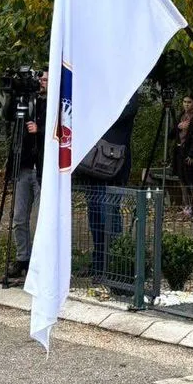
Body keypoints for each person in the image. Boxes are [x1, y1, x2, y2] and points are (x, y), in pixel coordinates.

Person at [77, 91, 140, 278]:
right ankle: (98, 264)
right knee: (95, 218)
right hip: (92, 167)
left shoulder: (128, 91)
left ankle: (113, 266)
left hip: (113, 168)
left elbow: (120, 115)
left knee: (109, 218)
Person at [3, 69, 48, 279]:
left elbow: (63, 132)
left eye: (46, 79)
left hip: (43, 168)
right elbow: (8, 116)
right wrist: (13, 94)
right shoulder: (27, 101)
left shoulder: (55, 104)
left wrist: (40, 130)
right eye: (40, 79)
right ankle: (23, 259)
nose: (41, 83)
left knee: (41, 219)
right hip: (23, 167)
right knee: (19, 218)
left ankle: (41, 262)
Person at [174, 94, 193, 215]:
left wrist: (192, 154)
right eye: (184, 101)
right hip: (179, 150)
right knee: (182, 179)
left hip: (190, 151)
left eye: (189, 102)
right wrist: (178, 127)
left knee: (191, 180)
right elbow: (172, 133)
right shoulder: (181, 115)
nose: (186, 104)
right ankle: (185, 205)